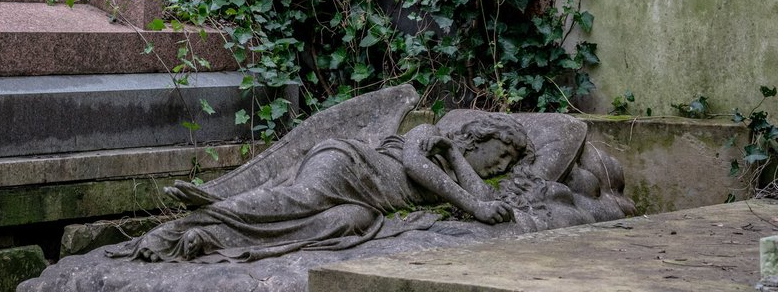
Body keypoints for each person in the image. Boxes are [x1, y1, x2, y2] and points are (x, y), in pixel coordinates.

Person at [112, 114, 530, 263]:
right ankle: (167, 232)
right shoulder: (428, 132)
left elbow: (490, 201)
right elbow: (414, 165)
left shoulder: (455, 167)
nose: (501, 165)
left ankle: (206, 237)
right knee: (300, 201)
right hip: (350, 167)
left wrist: (458, 158)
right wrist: (466, 189)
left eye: (509, 162)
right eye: (501, 152)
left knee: (345, 222)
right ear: (479, 136)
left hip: (365, 203)